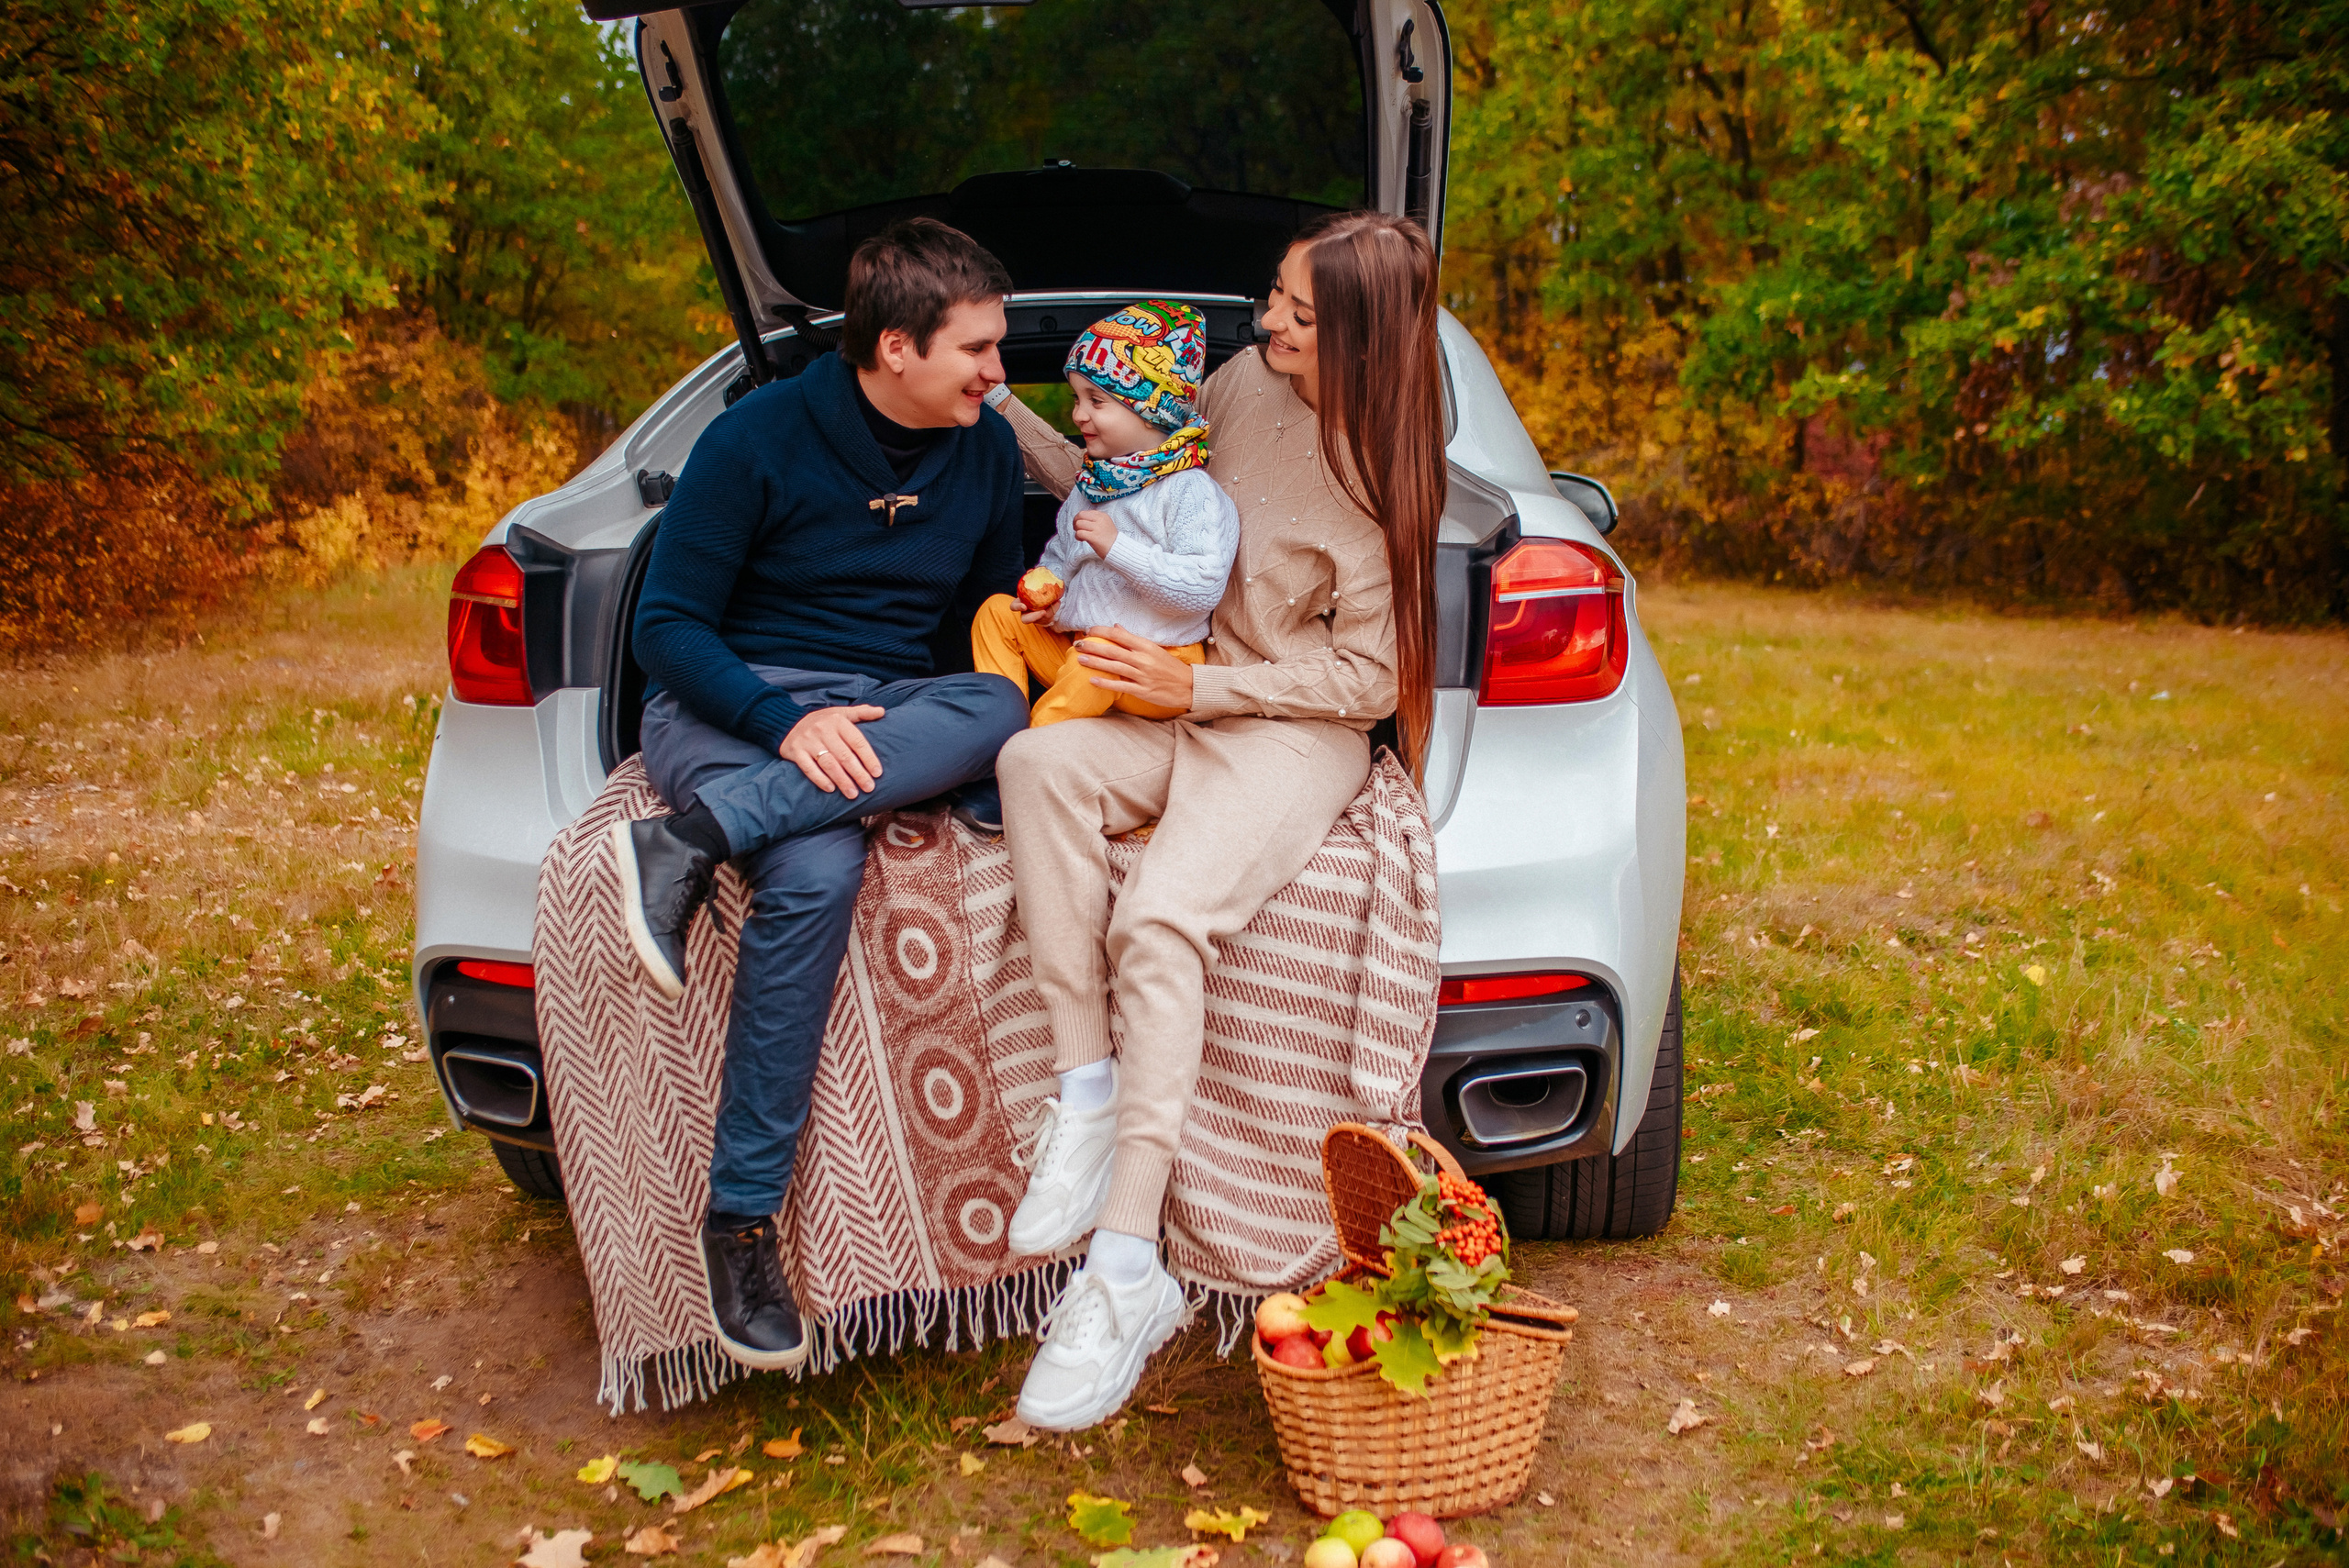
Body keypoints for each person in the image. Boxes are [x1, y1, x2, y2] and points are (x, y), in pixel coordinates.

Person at [985, 212, 1449, 1429]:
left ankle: (1127, 1268)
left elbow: (1367, 683)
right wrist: (1001, 406)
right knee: (1035, 769)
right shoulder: (1240, 381)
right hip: (1174, 689)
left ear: (1362, 334)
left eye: (1299, 311)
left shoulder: (1383, 472)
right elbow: (1114, 486)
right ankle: (1087, 1090)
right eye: (1276, 295)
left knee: (1159, 923)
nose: (1268, 322)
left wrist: (1209, 690)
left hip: (1284, 728)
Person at [611, 217, 1032, 1373]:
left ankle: (696, 838)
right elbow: (665, 629)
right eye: (980, 350)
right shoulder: (755, 439)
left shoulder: (986, 449)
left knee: (998, 705)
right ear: (895, 348)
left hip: (887, 704)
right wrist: (781, 721)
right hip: (729, 703)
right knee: (816, 867)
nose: (1000, 373)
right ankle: (741, 1220)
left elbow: (982, 624)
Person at [966, 300, 1239, 730]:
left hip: (1154, 661)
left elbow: (1200, 590)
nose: (1078, 414)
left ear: (1152, 409)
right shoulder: (1091, 484)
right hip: (1081, 644)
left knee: (1095, 657)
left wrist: (1118, 548)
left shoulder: (1191, 490)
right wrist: (1051, 595)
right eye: (1077, 398)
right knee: (996, 614)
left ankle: (1025, 749)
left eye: (1096, 400)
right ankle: (993, 726)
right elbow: (1061, 555)